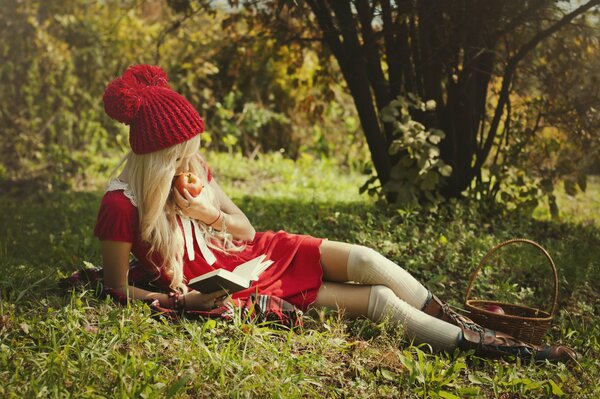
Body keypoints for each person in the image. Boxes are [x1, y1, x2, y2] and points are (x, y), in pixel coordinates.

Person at [95, 64, 575, 363]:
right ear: (158, 156)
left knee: (365, 259)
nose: (192, 158)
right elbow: (116, 288)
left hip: (255, 252)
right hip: (228, 283)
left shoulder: (194, 170)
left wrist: (209, 212)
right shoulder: (122, 205)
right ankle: (497, 350)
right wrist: (182, 303)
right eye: (181, 151)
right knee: (381, 302)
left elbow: (246, 229)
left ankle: (471, 328)